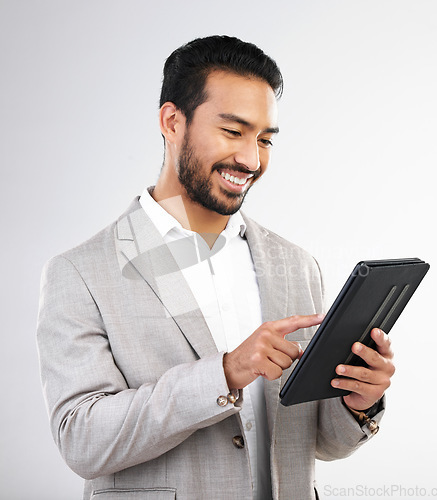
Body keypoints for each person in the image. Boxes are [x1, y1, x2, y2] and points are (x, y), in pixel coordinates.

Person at [37, 35, 395, 500]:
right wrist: (224, 373)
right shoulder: (80, 273)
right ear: (172, 121)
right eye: (233, 131)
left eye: (265, 139)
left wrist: (358, 401)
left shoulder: (296, 266)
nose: (251, 159)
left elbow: (314, 442)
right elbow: (81, 441)